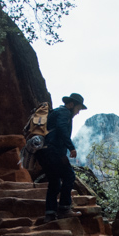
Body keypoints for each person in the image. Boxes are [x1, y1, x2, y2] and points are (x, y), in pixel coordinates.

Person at [37, 93, 87, 222]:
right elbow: (61, 129)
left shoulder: (55, 113)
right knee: (69, 176)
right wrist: (71, 147)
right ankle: (64, 209)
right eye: (78, 108)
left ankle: (50, 214)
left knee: (54, 183)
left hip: (44, 152)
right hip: (54, 152)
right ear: (71, 104)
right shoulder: (64, 113)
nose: (78, 112)